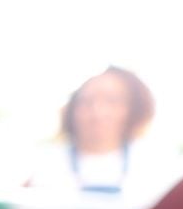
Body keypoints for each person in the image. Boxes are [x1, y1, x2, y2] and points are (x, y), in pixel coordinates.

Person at [25, 65, 167, 198]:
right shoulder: (46, 165)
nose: (97, 112)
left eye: (112, 101)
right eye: (87, 102)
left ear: (133, 110)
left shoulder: (153, 164)